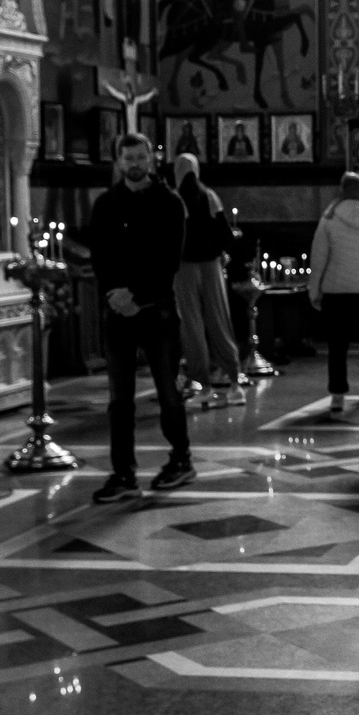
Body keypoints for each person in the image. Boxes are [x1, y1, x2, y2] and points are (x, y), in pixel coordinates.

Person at [84, 134, 192, 503]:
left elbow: (168, 259)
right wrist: (115, 294)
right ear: (118, 161)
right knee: (119, 398)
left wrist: (137, 296)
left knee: (167, 389)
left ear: (152, 158)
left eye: (140, 156)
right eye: (127, 157)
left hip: (157, 309)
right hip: (118, 311)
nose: (134, 163)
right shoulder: (106, 204)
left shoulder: (169, 202)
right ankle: (124, 472)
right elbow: (100, 257)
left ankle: (181, 458)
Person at [307, 172, 359, 416]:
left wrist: (314, 290)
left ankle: (338, 395)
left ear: (342, 190)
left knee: (337, 345)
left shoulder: (330, 217)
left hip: (336, 290)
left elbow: (319, 257)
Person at [170, 153, 242, 409]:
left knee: (192, 324)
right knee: (219, 319)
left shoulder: (175, 198)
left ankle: (205, 385)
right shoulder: (210, 195)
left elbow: (172, 236)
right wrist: (219, 252)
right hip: (211, 266)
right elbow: (225, 234)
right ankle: (235, 382)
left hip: (184, 267)